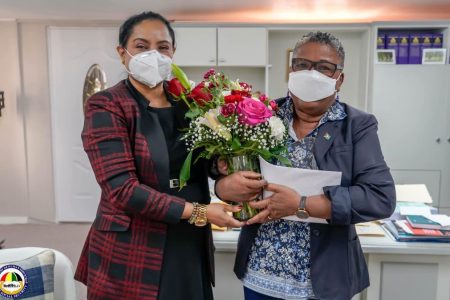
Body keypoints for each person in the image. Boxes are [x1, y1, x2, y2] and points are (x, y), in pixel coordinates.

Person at [74, 11, 246, 300]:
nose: (153, 54)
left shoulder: (190, 103)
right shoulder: (106, 105)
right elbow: (123, 190)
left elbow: (198, 161)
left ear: (173, 53)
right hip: (135, 241)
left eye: (162, 47)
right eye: (141, 46)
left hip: (188, 238)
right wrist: (200, 212)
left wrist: (221, 164)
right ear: (122, 52)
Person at [215, 31, 396, 300]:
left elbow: (380, 198)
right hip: (260, 273)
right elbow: (227, 174)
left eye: (324, 68)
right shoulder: (262, 114)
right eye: (302, 65)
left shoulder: (357, 125)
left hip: (323, 280)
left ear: (339, 79)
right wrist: (223, 187)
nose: (311, 74)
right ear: (291, 70)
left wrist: (301, 204)